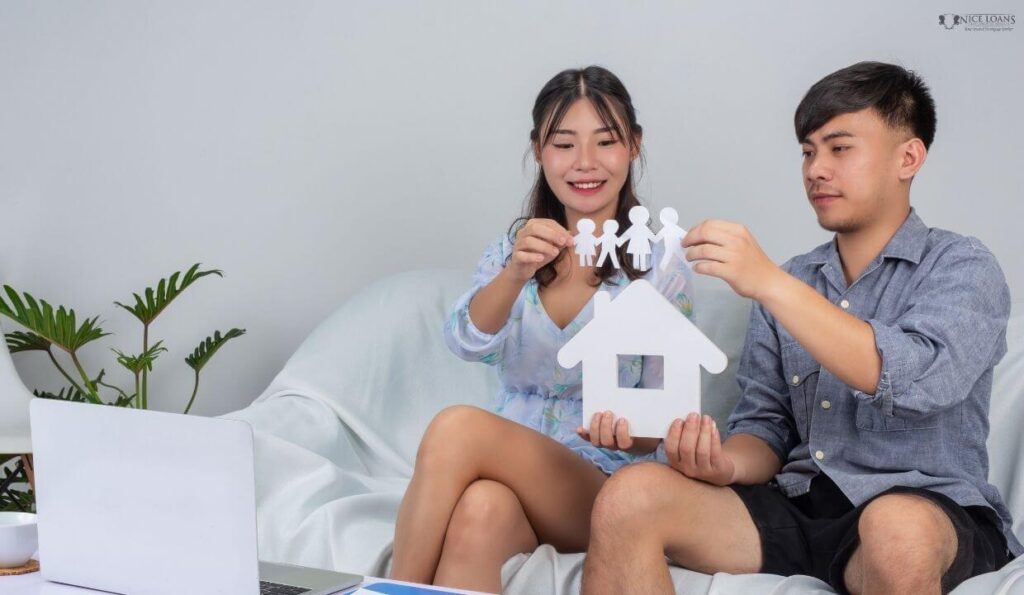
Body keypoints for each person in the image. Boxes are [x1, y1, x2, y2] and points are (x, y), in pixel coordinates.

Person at [581, 61, 1020, 595]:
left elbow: (914, 380)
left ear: (908, 158)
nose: (816, 169)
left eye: (839, 148)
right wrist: (721, 464)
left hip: (925, 509)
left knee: (895, 529)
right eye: (809, 152)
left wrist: (769, 283)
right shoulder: (794, 278)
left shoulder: (962, 266)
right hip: (800, 505)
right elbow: (765, 426)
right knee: (630, 494)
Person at [389, 65, 694, 593]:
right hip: (508, 477)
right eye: (564, 144)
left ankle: (384, 590)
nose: (585, 163)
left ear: (633, 146)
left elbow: (661, 417)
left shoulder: (659, 263)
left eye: (606, 141)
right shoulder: (514, 252)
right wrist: (515, 272)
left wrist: (625, 429)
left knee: (457, 427)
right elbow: (465, 341)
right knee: (480, 512)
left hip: (601, 485)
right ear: (538, 150)